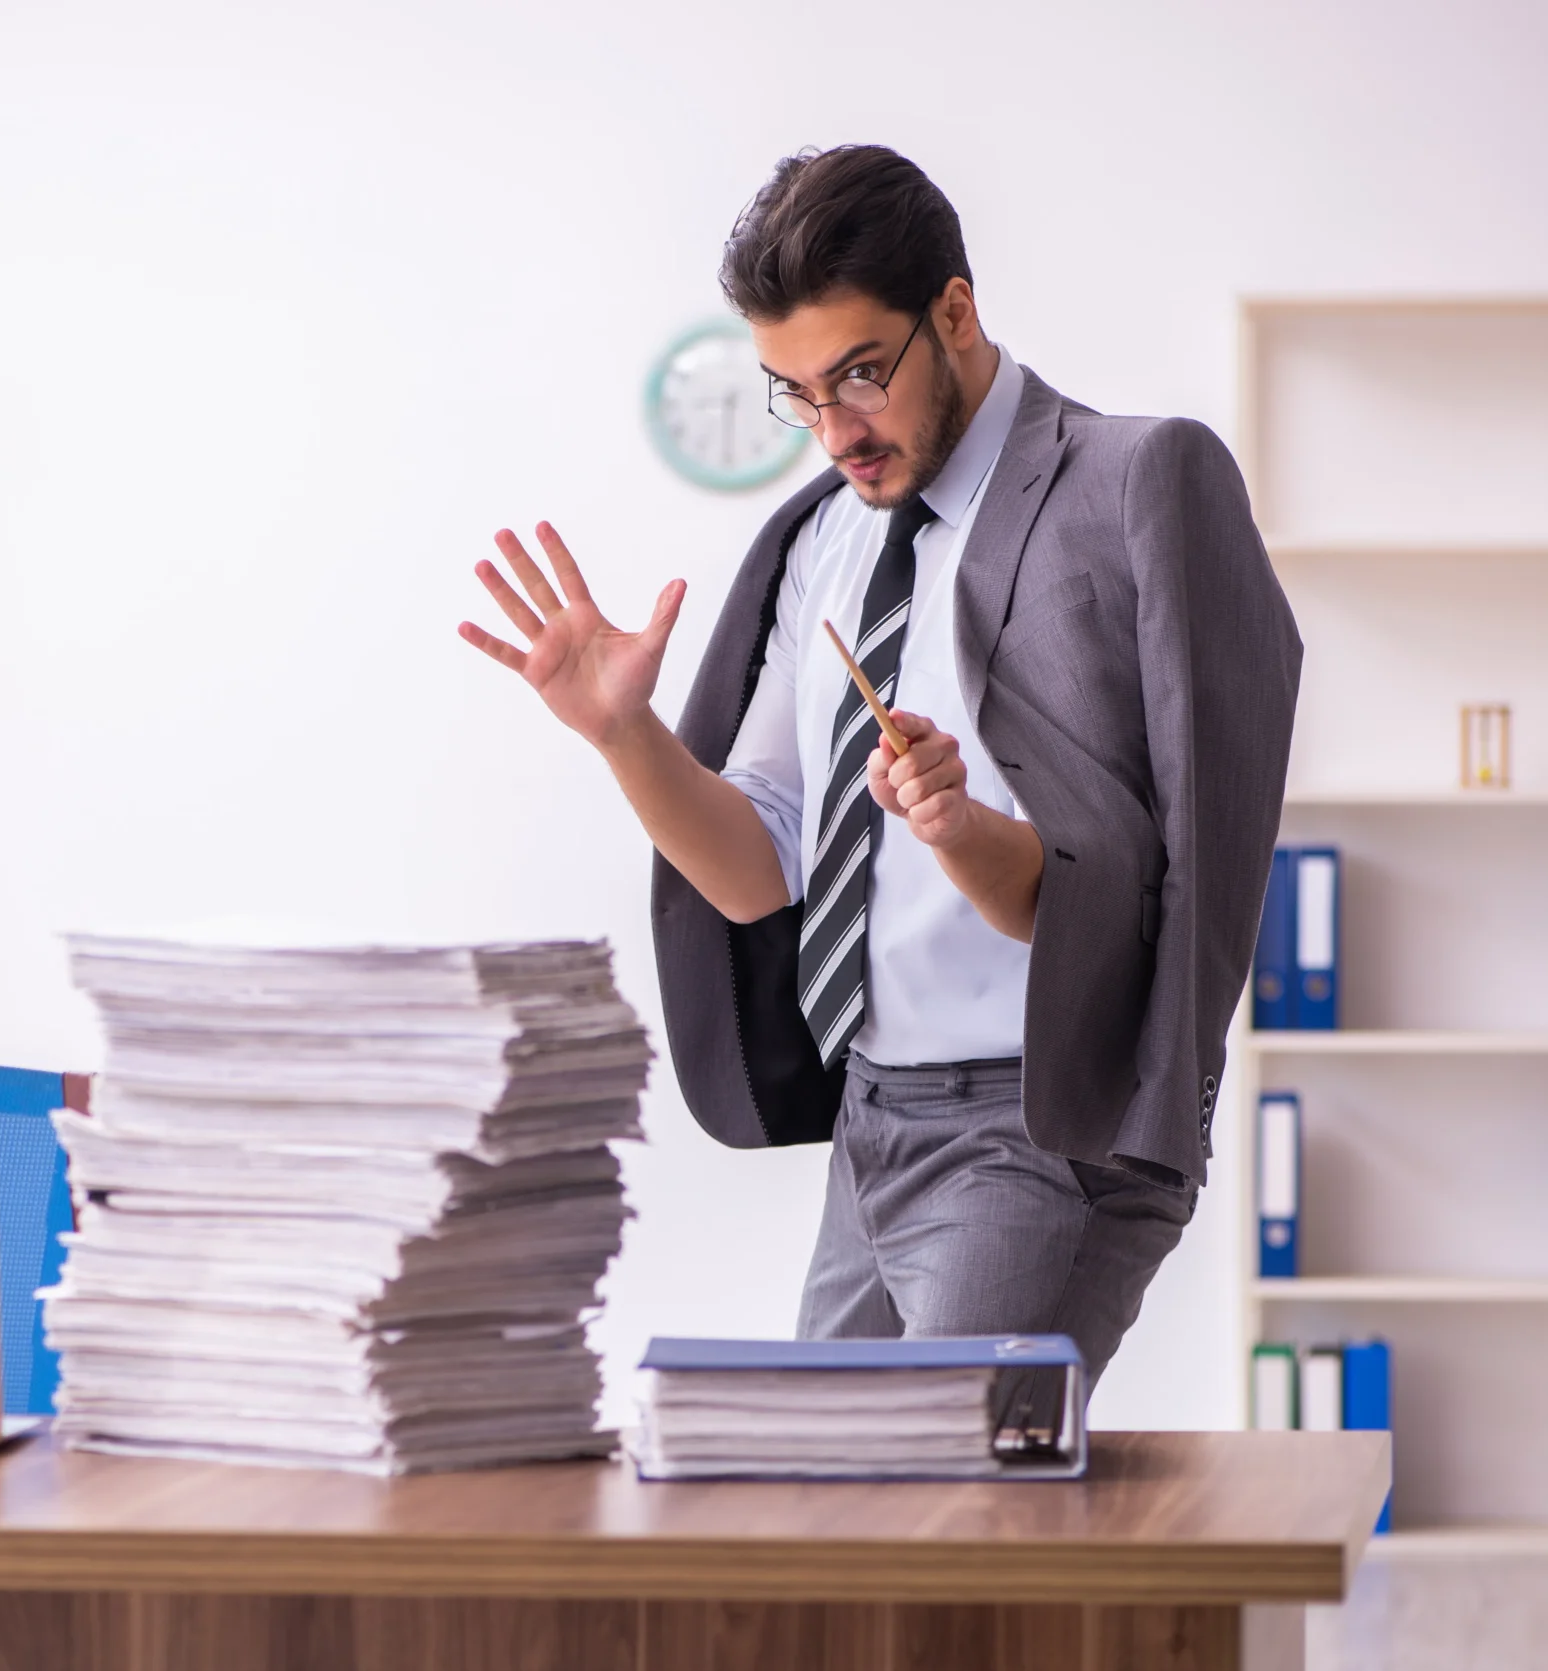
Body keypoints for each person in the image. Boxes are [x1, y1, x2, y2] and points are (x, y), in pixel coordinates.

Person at [457, 144, 1300, 1386]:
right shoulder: (815, 542)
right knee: (830, 1525)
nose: (834, 430)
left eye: (859, 372)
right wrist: (622, 736)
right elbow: (760, 872)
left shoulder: (1136, 479)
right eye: (793, 392)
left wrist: (966, 836)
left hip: (1038, 1122)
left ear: (953, 311)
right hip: (873, 1116)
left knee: (947, 1526)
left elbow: (1190, 849)